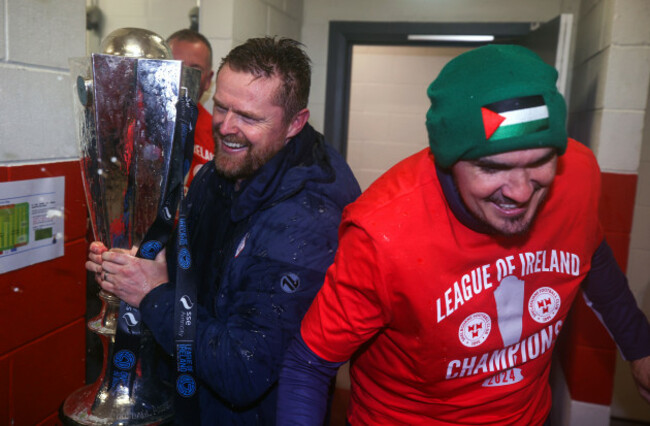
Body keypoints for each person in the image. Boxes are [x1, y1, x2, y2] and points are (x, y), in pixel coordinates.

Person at [277, 44, 650, 425]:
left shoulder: (578, 176)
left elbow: (592, 254)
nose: (521, 191)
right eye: (491, 167)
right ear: (448, 160)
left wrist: (640, 349)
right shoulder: (383, 235)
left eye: (540, 161)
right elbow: (308, 364)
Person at [86, 37, 361, 424]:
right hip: (191, 402)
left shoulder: (307, 217)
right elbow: (194, 267)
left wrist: (152, 293)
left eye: (249, 117)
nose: (226, 128)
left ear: (295, 123)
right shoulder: (226, 170)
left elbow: (243, 370)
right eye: (220, 107)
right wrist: (140, 265)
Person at [167, 29, 215, 192]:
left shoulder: (219, 132)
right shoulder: (138, 123)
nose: (184, 77)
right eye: (176, 65)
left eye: (195, 69)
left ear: (208, 80)